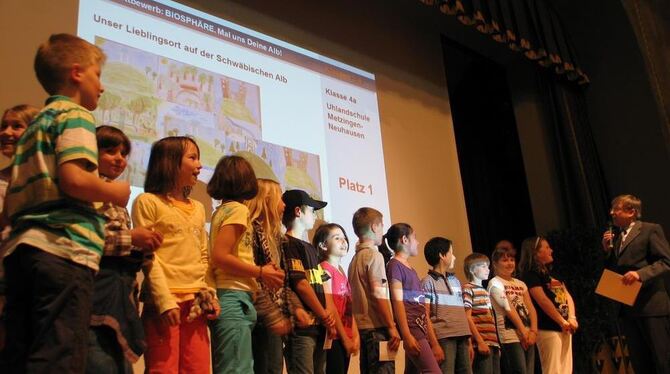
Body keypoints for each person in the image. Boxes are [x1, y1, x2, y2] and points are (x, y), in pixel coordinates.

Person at [0, 33, 131, 373]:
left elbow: (10, 207)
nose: (101, 87)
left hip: (22, 253)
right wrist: (115, 192)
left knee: (20, 351)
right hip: (64, 251)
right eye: (97, 75)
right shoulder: (74, 116)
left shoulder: (33, 128)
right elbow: (74, 180)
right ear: (76, 73)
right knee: (59, 353)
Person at [132, 136, 217, 373]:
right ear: (169, 162)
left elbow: (202, 255)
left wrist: (210, 295)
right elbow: (149, 258)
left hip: (195, 304)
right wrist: (164, 301)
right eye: (192, 158)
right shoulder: (147, 202)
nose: (200, 165)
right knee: (163, 369)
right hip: (164, 303)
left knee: (198, 368)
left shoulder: (199, 208)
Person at [86, 125, 163, 373]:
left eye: (123, 153)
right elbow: (86, 239)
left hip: (121, 295)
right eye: (110, 151)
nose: (119, 159)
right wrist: (132, 238)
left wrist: (144, 245)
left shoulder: (119, 200)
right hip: (96, 297)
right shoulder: (86, 190)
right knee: (100, 360)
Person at [207, 155, 285, 373]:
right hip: (233, 298)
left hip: (235, 298)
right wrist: (261, 272)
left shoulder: (220, 212)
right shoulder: (239, 211)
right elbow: (220, 256)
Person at [601, 194, 670, 373]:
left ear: (631, 212)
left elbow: (666, 261)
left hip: (650, 305)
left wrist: (640, 274)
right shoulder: (616, 239)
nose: (612, 212)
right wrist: (607, 252)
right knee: (640, 361)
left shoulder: (649, 229)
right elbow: (615, 271)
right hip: (628, 307)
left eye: (616, 208)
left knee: (662, 358)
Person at [282, 189, 336, 374]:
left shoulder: (310, 248)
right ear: (298, 212)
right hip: (302, 329)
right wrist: (323, 314)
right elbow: (301, 284)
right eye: (312, 210)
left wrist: (328, 316)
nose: (315, 215)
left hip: (319, 328)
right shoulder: (288, 243)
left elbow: (322, 282)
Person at [0, 104, 39, 349]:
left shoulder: (48, 183)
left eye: (17, 126)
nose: (6, 132)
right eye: (4, 126)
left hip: (34, 280)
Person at [383, 223, 441, 373]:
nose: (418, 242)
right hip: (412, 328)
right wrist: (407, 335)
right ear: (404, 240)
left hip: (419, 328)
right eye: (414, 237)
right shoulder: (395, 265)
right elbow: (397, 301)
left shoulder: (410, 269)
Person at [348, 207, 400, 374]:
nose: (382, 231)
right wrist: (391, 326)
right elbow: (379, 294)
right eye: (382, 226)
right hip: (377, 329)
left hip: (363, 329)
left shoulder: (354, 260)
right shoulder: (374, 256)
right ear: (374, 227)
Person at [519, 236, 577, 374]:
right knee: (553, 369)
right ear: (535, 252)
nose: (551, 250)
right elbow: (542, 300)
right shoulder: (530, 275)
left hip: (564, 326)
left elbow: (566, 295)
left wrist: (572, 318)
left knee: (566, 370)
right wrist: (561, 321)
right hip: (548, 328)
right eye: (547, 247)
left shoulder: (552, 274)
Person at [421, 237, 473, 374]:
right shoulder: (428, 282)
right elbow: (425, 315)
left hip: (462, 336)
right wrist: (434, 344)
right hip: (444, 337)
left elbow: (461, 313)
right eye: (451, 253)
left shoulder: (455, 281)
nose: (454, 257)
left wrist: (468, 341)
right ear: (442, 255)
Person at [314, 223, 360, 374]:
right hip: (334, 336)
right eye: (337, 238)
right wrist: (345, 339)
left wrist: (355, 335)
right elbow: (330, 305)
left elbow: (348, 306)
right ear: (323, 245)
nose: (343, 241)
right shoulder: (323, 269)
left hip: (345, 335)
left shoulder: (340, 270)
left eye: (344, 237)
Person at [488, 245, 537, 374]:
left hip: (528, 334)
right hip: (511, 336)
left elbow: (530, 307)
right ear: (495, 264)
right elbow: (508, 307)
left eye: (512, 260)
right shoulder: (495, 283)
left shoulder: (520, 284)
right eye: (504, 260)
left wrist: (533, 331)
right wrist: (523, 332)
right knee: (519, 370)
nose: (509, 263)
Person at [463, 253, 500, 374]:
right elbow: (467, 317)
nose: (487, 269)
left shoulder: (484, 291)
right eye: (483, 266)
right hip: (481, 342)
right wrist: (479, 341)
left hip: (492, 342)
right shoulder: (468, 288)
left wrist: (496, 343)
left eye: (487, 266)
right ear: (472, 269)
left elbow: (490, 318)